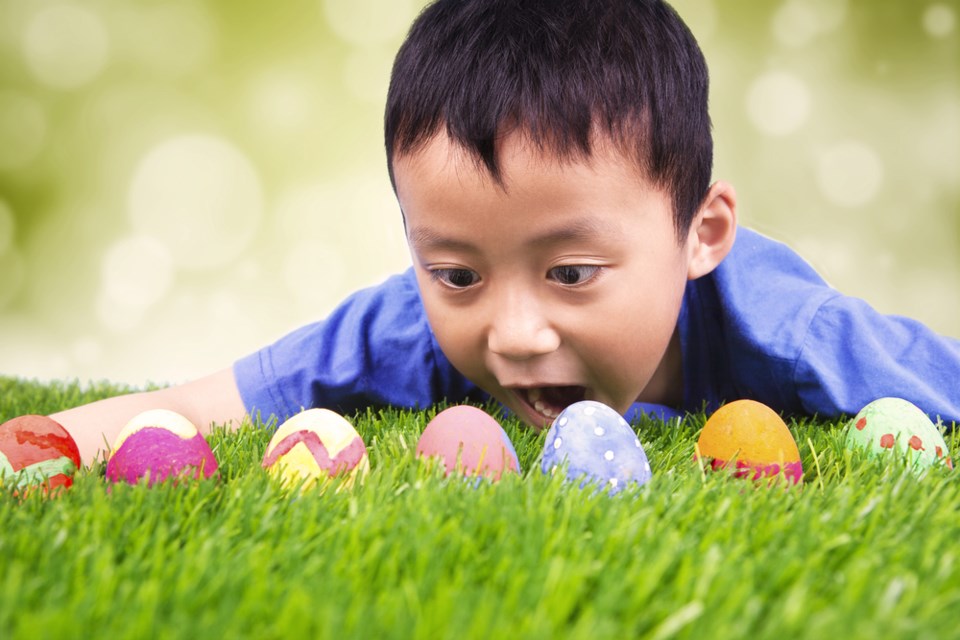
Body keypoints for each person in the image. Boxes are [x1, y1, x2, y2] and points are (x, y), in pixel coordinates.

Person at [50, 0, 960, 466]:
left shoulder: (802, 339)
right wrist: (44, 441)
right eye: (455, 273)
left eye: (569, 271)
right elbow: (212, 404)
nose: (512, 333)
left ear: (701, 233)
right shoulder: (408, 328)